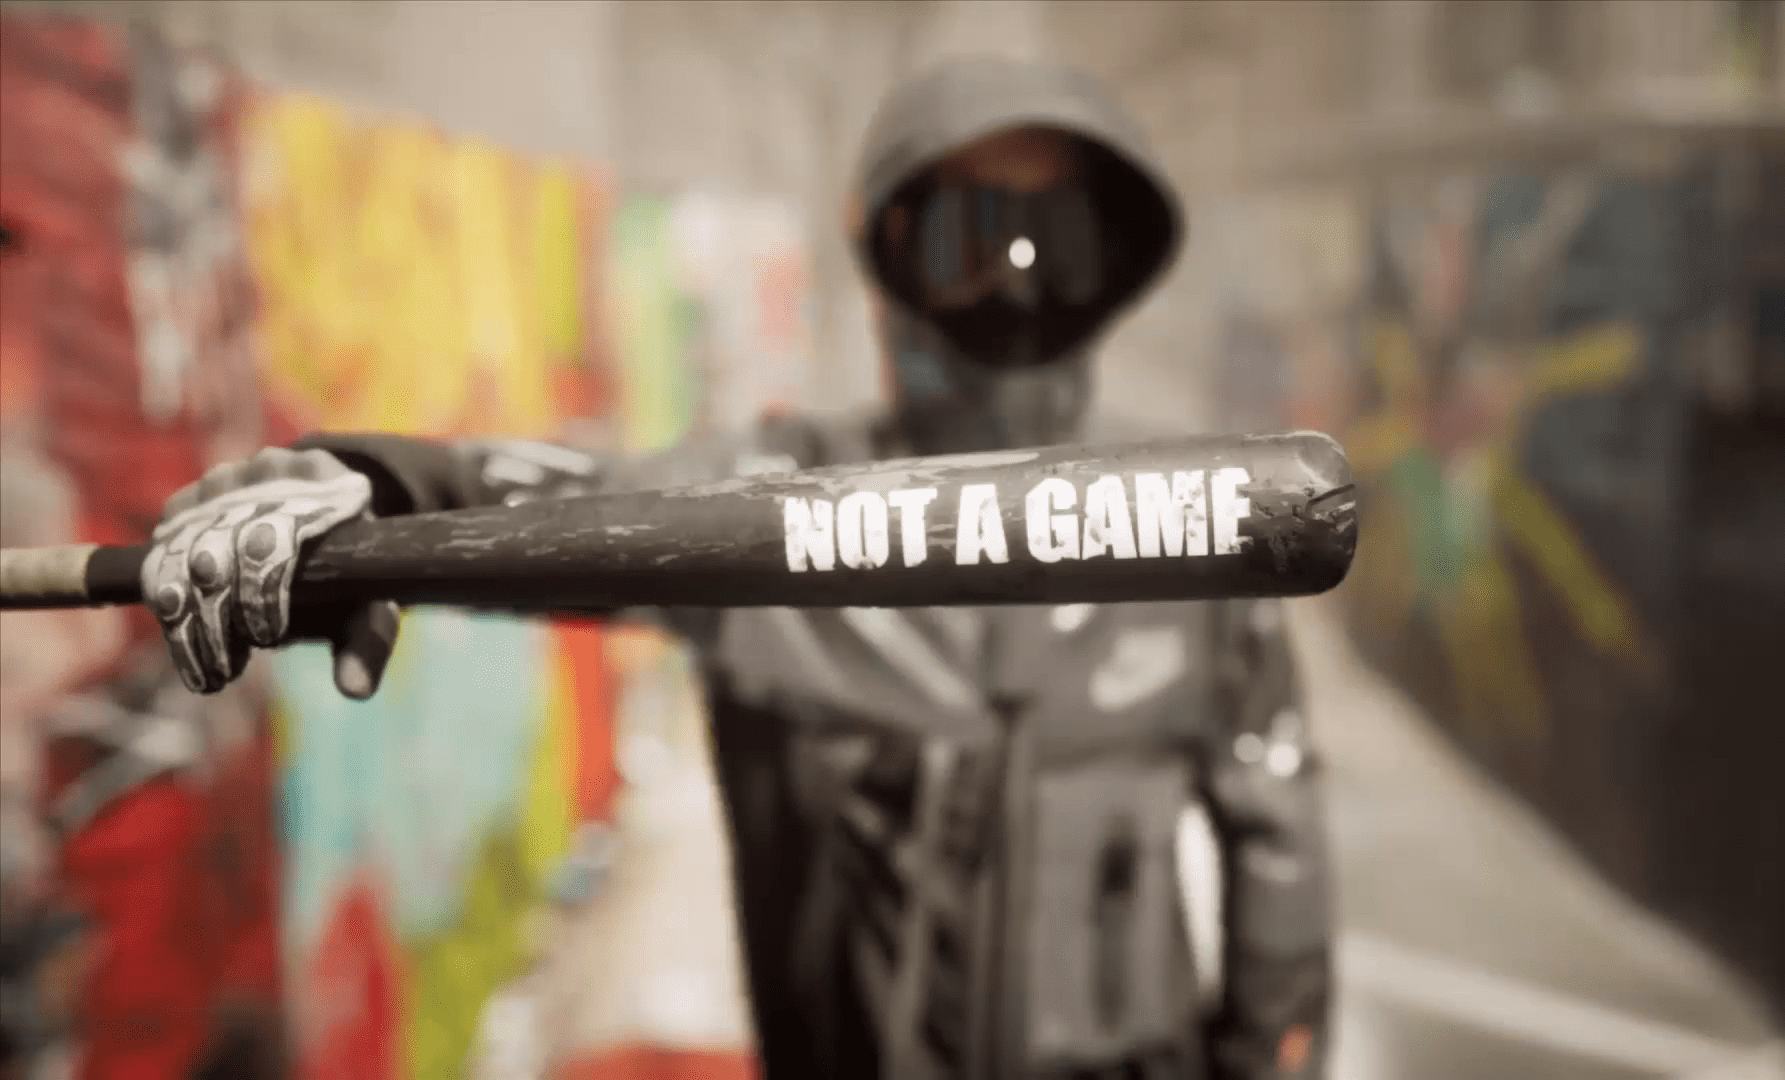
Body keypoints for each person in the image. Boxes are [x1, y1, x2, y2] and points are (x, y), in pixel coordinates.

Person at [138, 58, 1332, 1080]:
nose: (1016, 281)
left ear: (1117, 263)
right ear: (890, 259)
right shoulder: (770, 510)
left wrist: (1268, 1057)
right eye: (967, 239)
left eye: (1059, 240)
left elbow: (1278, 844)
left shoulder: (1196, 528)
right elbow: (559, 505)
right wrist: (363, 504)